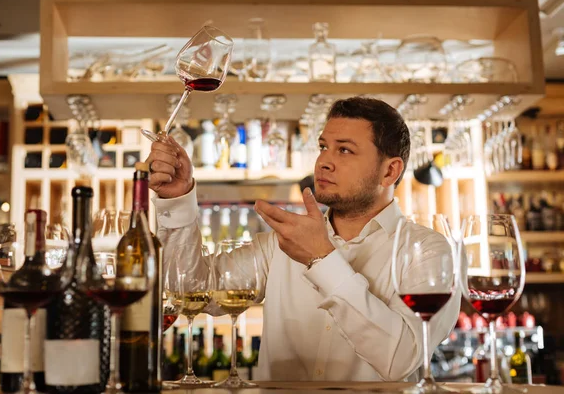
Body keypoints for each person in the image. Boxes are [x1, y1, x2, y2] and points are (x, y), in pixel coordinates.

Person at [146, 96, 460, 382]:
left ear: (389, 172)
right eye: (324, 146)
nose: (323, 160)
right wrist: (178, 200)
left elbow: (400, 359)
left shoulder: (429, 253)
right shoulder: (278, 244)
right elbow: (187, 289)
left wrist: (322, 258)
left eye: (345, 149)